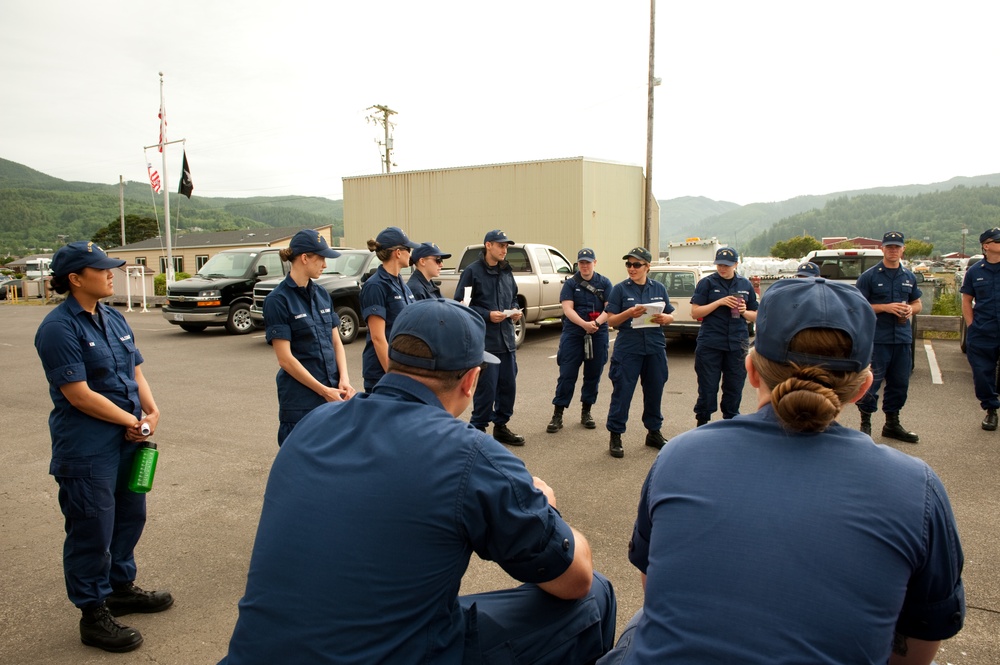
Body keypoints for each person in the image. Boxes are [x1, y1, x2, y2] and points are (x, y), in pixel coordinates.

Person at [218, 299, 616, 665]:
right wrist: (545, 507)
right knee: (595, 594)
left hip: (257, 653)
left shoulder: (313, 424)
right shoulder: (472, 456)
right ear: (471, 381)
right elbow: (573, 581)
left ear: (392, 359)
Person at [599, 277, 965, 665]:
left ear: (751, 372)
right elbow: (920, 645)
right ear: (862, 389)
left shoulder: (681, 455)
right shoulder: (915, 487)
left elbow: (656, 588)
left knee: (638, 618)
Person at [34, 242, 173, 653]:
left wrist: (151, 410)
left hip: (129, 436)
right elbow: (78, 394)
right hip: (87, 445)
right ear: (76, 278)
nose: (112, 273)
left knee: (130, 515)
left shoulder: (113, 317)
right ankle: (92, 612)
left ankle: (120, 588)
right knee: (91, 527)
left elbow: (135, 370)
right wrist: (132, 421)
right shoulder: (59, 328)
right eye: (102, 269)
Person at [263, 230, 355, 446]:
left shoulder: (322, 294)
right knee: (300, 462)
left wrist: (344, 379)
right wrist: (323, 391)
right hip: (301, 401)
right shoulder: (278, 300)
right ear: (304, 258)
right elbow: (285, 359)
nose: (324, 264)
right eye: (321, 258)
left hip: (333, 392)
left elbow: (336, 343)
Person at [453, 229, 526, 445]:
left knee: (508, 387)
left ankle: (501, 426)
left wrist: (513, 311)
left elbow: (512, 297)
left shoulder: (506, 272)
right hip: (486, 343)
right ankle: (478, 432)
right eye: (501, 245)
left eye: (506, 246)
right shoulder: (473, 272)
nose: (505, 250)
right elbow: (461, 304)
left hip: (507, 341)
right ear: (488, 246)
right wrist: (486, 315)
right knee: (486, 390)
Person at [604, 247, 674, 458]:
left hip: (654, 347)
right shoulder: (620, 289)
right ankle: (616, 434)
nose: (631, 269)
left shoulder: (659, 288)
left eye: (636, 265)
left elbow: (670, 313)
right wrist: (628, 313)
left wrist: (667, 319)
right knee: (622, 392)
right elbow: (611, 320)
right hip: (629, 348)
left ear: (647, 267)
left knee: (655, 390)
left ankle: (653, 432)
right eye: (629, 264)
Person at [855, 231, 922, 442]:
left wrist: (911, 310)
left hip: (902, 339)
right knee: (872, 382)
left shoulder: (908, 276)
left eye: (897, 247)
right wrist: (885, 307)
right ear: (882, 249)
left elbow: (917, 302)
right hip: (878, 339)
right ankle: (865, 424)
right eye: (889, 247)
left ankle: (892, 423)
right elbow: (858, 307)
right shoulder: (869, 276)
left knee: (900, 383)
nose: (893, 250)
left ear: (903, 249)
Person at [546, 248, 613, 433]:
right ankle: (557, 414)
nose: (585, 266)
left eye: (588, 262)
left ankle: (586, 412)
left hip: (598, 332)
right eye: (582, 262)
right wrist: (584, 324)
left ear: (595, 263)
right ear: (578, 264)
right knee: (567, 374)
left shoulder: (605, 283)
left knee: (593, 374)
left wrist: (595, 323)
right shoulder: (570, 283)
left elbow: (610, 308)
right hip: (574, 333)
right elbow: (568, 309)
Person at [690, 246, 759, 426]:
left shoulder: (745, 284)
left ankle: (730, 424)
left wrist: (744, 312)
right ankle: (703, 423)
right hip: (711, 343)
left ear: (736, 264)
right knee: (707, 389)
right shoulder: (707, 283)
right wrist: (719, 302)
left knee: (734, 389)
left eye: (727, 265)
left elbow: (757, 315)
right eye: (719, 264)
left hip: (737, 345)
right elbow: (695, 312)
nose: (722, 268)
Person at [360, 226, 418, 392]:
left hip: (401, 367)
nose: (411, 253)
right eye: (408, 249)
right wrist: (393, 377)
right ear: (398, 252)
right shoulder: (376, 286)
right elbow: (378, 338)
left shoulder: (400, 283)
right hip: (383, 373)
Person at [961, 227, 1000, 431]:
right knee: (983, 374)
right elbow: (967, 300)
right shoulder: (975, 271)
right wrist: (971, 326)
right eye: (998, 241)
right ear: (986, 246)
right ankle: (991, 410)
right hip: (983, 331)